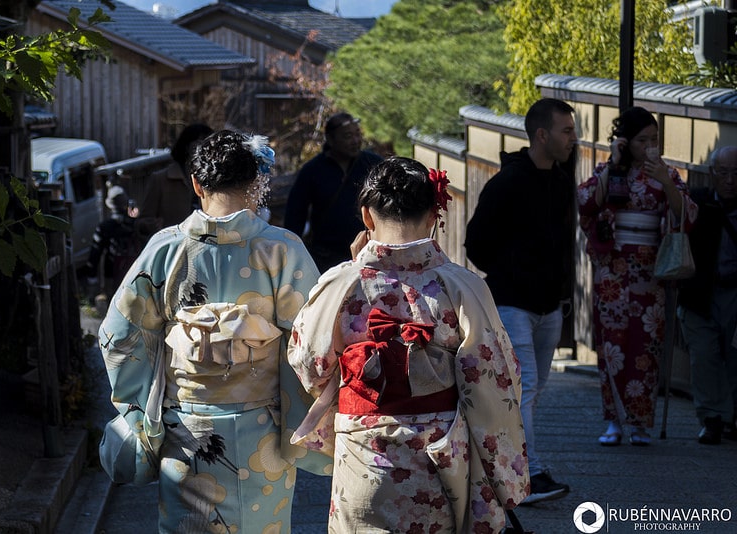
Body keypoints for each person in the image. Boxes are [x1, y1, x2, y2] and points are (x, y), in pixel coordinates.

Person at [98, 130, 329, 533]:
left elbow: (120, 335)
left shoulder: (165, 250)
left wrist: (141, 411)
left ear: (196, 184)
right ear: (254, 184)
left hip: (186, 430)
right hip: (264, 432)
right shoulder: (283, 249)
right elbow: (313, 344)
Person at [288, 157, 529, 533]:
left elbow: (309, 364)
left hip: (363, 450)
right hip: (441, 452)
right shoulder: (463, 286)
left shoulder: (339, 284)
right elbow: (494, 377)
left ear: (367, 218)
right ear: (435, 214)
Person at [464, 97, 576, 504]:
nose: (573, 138)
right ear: (542, 134)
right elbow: (475, 241)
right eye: (566, 130)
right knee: (523, 384)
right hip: (512, 300)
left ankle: (514, 467)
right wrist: (512, 271)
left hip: (549, 303)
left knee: (535, 385)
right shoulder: (507, 183)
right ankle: (527, 475)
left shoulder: (561, 182)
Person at [577, 106, 697, 448]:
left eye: (654, 139)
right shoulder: (610, 170)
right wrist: (612, 165)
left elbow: (686, 215)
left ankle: (641, 422)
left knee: (646, 346)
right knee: (612, 343)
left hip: (650, 270)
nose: (649, 146)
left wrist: (664, 183)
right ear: (626, 141)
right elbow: (586, 203)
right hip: (613, 270)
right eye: (642, 139)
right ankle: (613, 419)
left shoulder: (667, 175)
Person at [678, 145, 737, 445]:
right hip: (700, 293)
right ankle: (711, 418)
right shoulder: (697, 203)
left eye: (735, 173)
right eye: (723, 172)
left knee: (734, 356)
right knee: (703, 357)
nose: (729, 180)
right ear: (712, 174)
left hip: (734, 292)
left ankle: (732, 417)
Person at [283, 112, 383, 272]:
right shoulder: (312, 170)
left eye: (358, 134)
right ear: (331, 139)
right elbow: (295, 214)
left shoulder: (374, 164)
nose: (355, 141)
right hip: (325, 256)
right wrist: (292, 252)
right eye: (348, 136)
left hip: (368, 252)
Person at [140, 123, 214, 226]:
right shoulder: (160, 179)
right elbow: (143, 221)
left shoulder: (214, 181)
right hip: (172, 240)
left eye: (209, 144)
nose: (206, 148)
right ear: (187, 146)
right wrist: (155, 226)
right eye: (200, 142)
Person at [82, 184, 139, 299]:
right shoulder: (136, 224)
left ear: (111, 206)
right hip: (136, 273)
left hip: (112, 274)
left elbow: (95, 252)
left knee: (114, 304)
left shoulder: (105, 226)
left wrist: (92, 276)